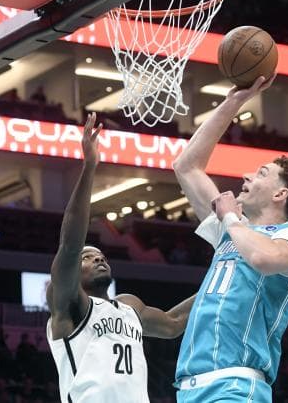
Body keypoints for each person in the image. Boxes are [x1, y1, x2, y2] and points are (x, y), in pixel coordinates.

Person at [172, 75, 288, 402]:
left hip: (236, 385)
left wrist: (230, 218)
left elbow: (264, 259)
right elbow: (186, 166)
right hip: (189, 387)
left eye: (261, 173)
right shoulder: (233, 230)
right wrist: (233, 102)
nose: (246, 175)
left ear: (281, 194)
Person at [46, 113, 195, 403]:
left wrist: (224, 273)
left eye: (102, 256)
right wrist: (89, 167)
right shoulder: (68, 303)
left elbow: (174, 322)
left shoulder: (129, 307)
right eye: (89, 258)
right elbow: (70, 245)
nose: (99, 260)